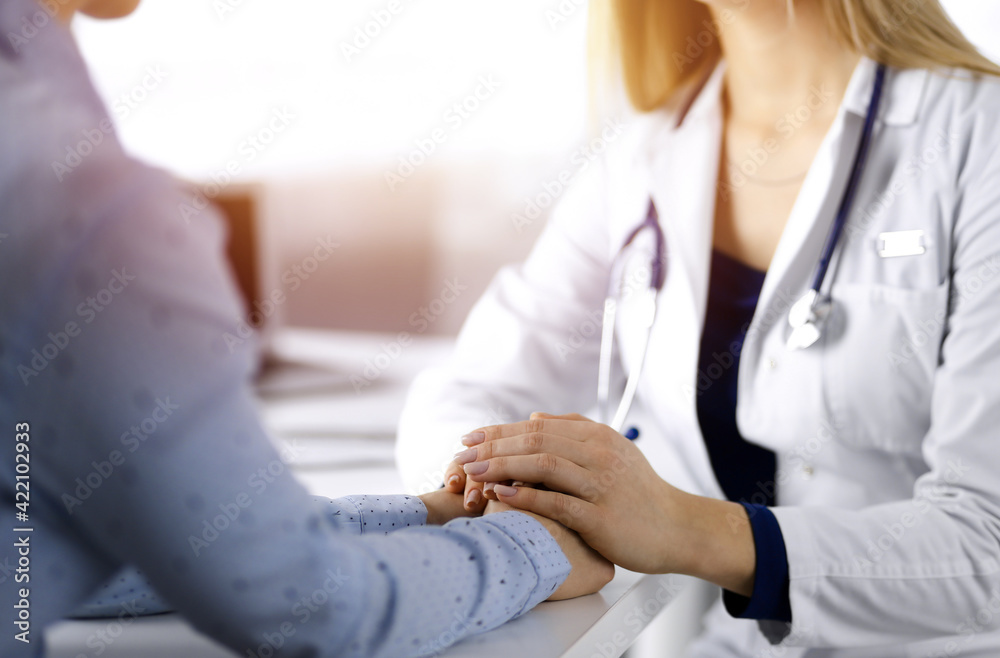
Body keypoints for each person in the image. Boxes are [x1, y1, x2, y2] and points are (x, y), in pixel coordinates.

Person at [0, 1, 614, 656]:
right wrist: (531, 549)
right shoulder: (85, 206)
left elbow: (78, 546)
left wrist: (425, 514)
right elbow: (311, 608)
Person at [397, 0, 1000, 655]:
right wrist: (495, 499)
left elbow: (988, 543)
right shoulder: (646, 151)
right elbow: (473, 389)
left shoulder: (976, 138)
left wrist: (682, 528)